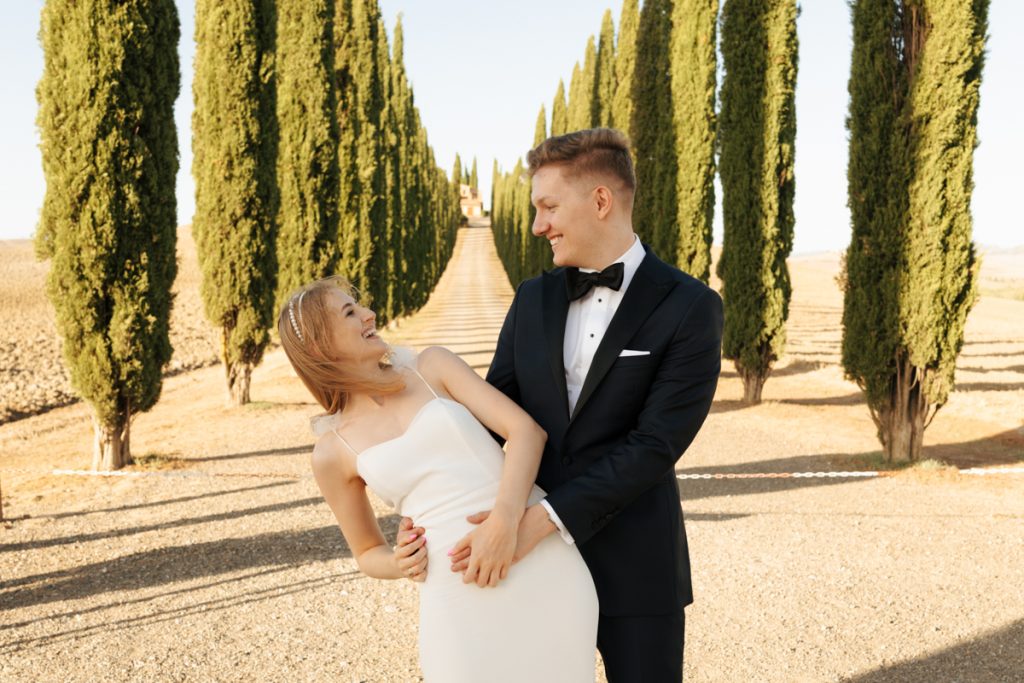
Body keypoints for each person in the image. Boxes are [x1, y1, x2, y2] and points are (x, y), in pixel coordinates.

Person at [405, 128, 724, 681]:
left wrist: (541, 521)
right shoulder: (532, 298)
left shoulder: (691, 306)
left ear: (600, 201)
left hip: (636, 568)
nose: (537, 225)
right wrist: (428, 511)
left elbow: (655, 446)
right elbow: (490, 421)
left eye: (548, 207)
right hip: (528, 568)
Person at [277, 276, 598, 682]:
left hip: (539, 561)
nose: (369, 314)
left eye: (360, 306)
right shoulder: (331, 451)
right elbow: (367, 552)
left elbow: (526, 433)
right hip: (453, 593)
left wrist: (503, 522)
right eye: (350, 312)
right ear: (319, 346)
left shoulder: (432, 367)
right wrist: (398, 562)